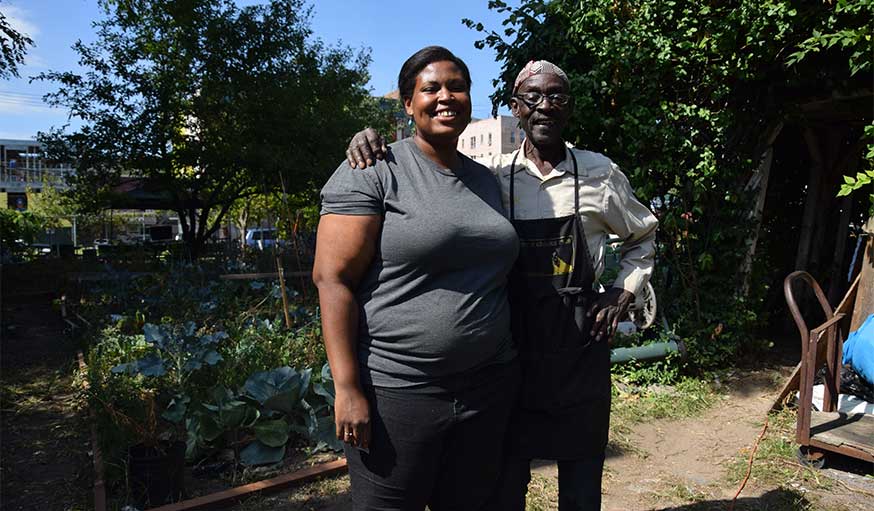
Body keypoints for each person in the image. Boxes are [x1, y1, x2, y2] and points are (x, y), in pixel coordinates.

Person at [345, 60, 658, 510]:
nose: (545, 107)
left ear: (569, 109)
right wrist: (369, 140)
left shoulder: (600, 174)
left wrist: (623, 290)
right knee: (505, 488)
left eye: (557, 97)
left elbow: (643, 235)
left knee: (582, 491)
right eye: (533, 98)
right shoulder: (490, 177)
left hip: (579, 354)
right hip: (510, 361)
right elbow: (434, 169)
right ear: (516, 107)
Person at [313, 46, 520, 511]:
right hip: (398, 395)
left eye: (457, 86)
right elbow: (332, 280)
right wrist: (347, 389)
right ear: (408, 104)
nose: (445, 97)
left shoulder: (488, 180)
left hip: (487, 391)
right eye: (431, 88)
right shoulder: (372, 170)